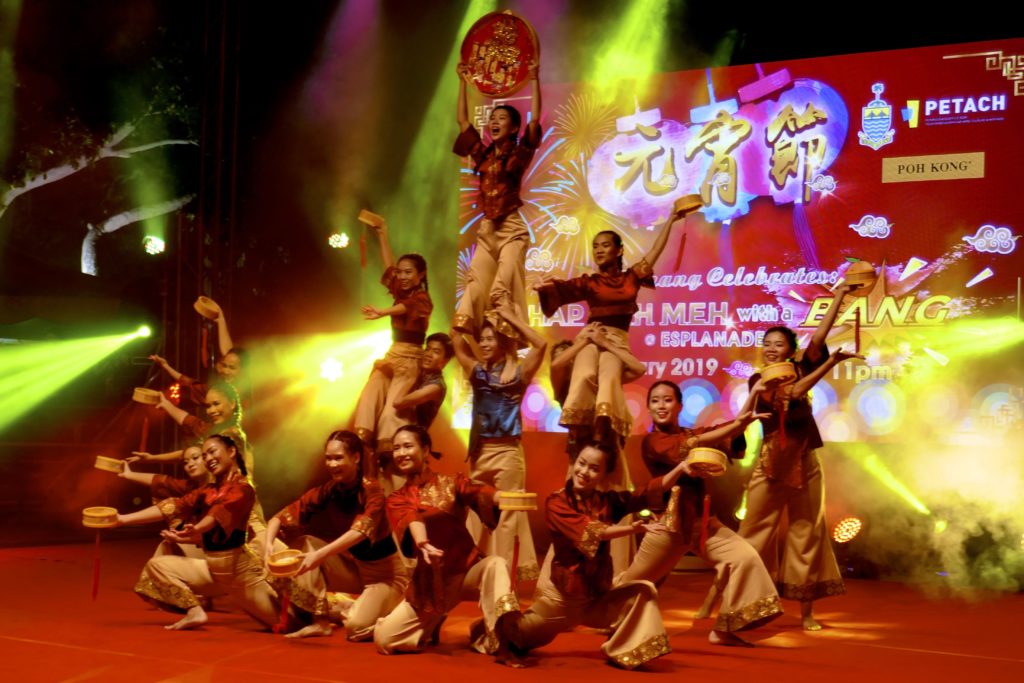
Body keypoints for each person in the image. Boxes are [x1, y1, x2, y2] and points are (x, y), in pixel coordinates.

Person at [718, 289, 862, 631]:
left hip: (806, 461)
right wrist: (830, 364)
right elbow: (792, 394)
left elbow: (820, 335)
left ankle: (807, 611)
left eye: (778, 344)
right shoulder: (759, 381)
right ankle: (729, 600)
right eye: (766, 343)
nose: (770, 348)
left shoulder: (800, 367)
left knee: (806, 534)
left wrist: (840, 294)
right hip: (770, 466)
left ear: (791, 351)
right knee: (752, 535)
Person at [615, 380, 782, 646]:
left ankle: (725, 628)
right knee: (637, 581)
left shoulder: (690, 432)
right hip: (670, 527)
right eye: (655, 400)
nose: (661, 405)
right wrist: (740, 423)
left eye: (668, 400)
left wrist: (752, 400)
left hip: (702, 523)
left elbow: (724, 432)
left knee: (744, 557)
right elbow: (698, 441)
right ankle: (605, 616)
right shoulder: (653, 442)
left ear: (679, 405)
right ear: (647, 407)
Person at [507, 441, 691, 669]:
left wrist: (681, 468)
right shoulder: (557, 502)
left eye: (594, 468)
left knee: (644, 591)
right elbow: (592, 532)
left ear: (604, 475)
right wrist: (633, 529)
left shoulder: (607, 502)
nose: (584, 472)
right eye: (582, 464)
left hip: (596, 598)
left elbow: (646, 492)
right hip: (564, 600)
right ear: (574, 462)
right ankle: (485, 633)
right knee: (514, 637)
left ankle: (623, 651)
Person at [533, 208, 687, 453]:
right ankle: (579, 433)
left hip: (615, 342)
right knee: (582, 377)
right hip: (591, 336)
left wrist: (670, 221)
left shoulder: (632, 278)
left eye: (605, 245)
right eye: (595, 246)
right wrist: (545, 287)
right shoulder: (590, 282)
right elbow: (560, 288)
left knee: (608, 380)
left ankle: (604, 435)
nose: (599, 250)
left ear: (619, 250)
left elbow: (655, 251)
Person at [373, 425, 521, 665]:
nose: (401, 453)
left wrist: (508, 497)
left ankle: (499, 637)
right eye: (397, 448)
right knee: (384, 640)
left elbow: (479, 491)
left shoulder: (451, 482)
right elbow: (412, 517)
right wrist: (422, 543)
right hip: (431, 583)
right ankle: (431, 621)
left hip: (465, 570)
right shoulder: (397, 498)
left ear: (425, 449)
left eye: (408, 446)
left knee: (496, 564)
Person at [115, 434, 286, 631]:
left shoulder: (243, 488)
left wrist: (194, 531)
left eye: (210, 453)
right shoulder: (206, 490)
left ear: (231, 452)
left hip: (245, 565)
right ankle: (195, 611)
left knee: (285, 622)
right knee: (157, 565)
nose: (207, 459)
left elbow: (216, 515)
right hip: (214, 569)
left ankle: (322, 613)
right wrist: (122, 519)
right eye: (204, 455)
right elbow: (172, 505)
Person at [263, 430, 408, 640]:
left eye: (338, 458)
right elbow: (279, 517)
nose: (332, 464)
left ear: (356, 457)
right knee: (305, 543)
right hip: (355, 569)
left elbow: (359, 532)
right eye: (328, 459)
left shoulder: (372, 490)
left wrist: (319, 556)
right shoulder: (329, 490)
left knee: (355, 628)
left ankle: (382, 607)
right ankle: (321, 622)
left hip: (385, 577)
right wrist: (268, 545)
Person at [451, 304, 545, 583]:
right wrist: (472, 299)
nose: (483, 343)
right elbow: (456, 339)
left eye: (491, 338)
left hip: (508, 453)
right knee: (473, 510)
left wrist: (509, 317)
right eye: (481, 338)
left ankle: (502, 578)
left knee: (508, 517)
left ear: (503, 341)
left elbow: (540, 344)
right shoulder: (477, 371)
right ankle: (474, 570)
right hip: (480, 452)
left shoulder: (518, 373)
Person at [452, 59, 541, 341]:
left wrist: (534, 79)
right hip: (488, 230)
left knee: (502, 286)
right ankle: (474, 339)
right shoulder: (483, 154)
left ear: (514, 128)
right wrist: (462, 82)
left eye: (501, 118)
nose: (494, 121)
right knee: (475, 285)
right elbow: (463, 122)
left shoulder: (520, 153)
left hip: (511, 229)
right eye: (492, 118)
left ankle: (511, 338)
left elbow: (535, 120)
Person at [352, 216, 433, 474]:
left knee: (390, 416)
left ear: (421, 275)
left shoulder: (422, 299)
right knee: (367, 401)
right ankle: (365, 460)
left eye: (409, 272)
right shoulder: (402, 287)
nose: (402, 276)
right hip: (391, 356)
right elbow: (389, 267)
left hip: (410, 362)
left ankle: (396, 468)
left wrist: (382, 311)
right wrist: (382, 233)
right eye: (401, 272)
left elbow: (405, 307)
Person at [392, 332, 454, 432]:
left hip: (414, 438)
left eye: (436, 352)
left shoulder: (436, 387)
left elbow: (398, 403)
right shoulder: (419, 372)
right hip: (399, 429)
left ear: (445, 361)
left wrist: (411, 380)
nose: (429, 354)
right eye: (427, 349)